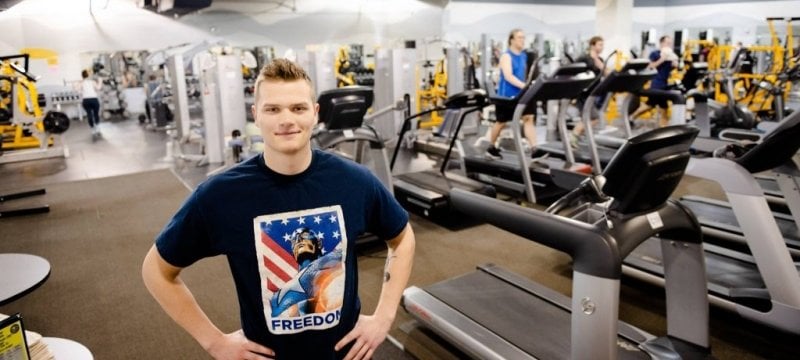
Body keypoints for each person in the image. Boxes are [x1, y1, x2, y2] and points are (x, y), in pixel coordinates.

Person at [141, 58, 416, 360]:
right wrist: (214, 342)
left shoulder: (354, 181)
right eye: (273, 109)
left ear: (315, 113)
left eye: (298, 108)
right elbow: (156, 270)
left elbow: (402, 238)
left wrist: (384, 318)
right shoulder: (220, 195)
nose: (286, 119)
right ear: (255, 115)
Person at [483, 28, 537, 159]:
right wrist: (525, 86)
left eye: (523, 37)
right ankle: (491, 147)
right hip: (507, 96)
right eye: (519, 37)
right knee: (501, 122)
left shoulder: (524, 56)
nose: (522, 40)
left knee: (529, 118)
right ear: (511, 40)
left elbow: (528, 74)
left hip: (523, 94)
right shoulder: (506, 56)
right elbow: (508, 76)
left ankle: (535, 149)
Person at [630, 35, 678, 127]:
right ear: (662, 43)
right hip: (656, 83)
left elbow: (668, 69)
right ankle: (664, 127)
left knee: (651, 104)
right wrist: (662, 59)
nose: (669, 45)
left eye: (670, 44)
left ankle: (632, 117)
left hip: (664, 83)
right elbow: (650, 66)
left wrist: (674, 65)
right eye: (667, 43)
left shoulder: (670, 57)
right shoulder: (655, 54)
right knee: (662, 106)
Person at [570, 36, 609, 148]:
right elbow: (573, 70)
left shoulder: (600, 60)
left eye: (602, 44)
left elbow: (607, 74)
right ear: (592, 45)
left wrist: (599, 63)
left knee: (590, 117)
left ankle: (576, 136)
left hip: (594, 93)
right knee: (593, 117)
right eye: (600, 44)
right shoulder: (584, 58)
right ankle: (574, 135)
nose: (602, 47)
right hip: (584, 93)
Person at [80, 69, 102, 137]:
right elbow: (98, 88)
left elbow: (77, 89)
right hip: (93, 99)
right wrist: (100, 81)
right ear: (88, 75)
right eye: (90, 73)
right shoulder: (92, 82)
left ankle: (93, 129)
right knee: (96, 114)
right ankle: (97, 129)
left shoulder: (81, 83)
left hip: (86, 100)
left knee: (89, 114)